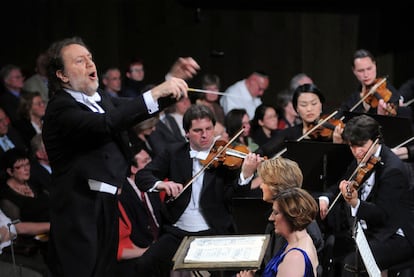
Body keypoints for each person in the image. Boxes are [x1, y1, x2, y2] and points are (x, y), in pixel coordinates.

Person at [42, 36, 199, 277]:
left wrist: (170, 82)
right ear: (62, 75)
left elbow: (134, 109)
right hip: (78, 211)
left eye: (90, 58)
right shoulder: (60, 108)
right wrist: (157, 91)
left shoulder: (100, 98)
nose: (90, 64)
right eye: (80, 61)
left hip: (106, 203)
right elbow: (108, 123)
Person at [135, 104, 261, 276]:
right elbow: (143, 176)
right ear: (186, 132)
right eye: (197, 130)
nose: (205, 135)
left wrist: (245, 175)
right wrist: (162, 184)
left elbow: (235, 199)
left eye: (209, 129)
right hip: (178, 230)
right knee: (145, 264)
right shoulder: (174, 152)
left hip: (213, 231)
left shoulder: (226, 155)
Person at [318, 114, 414, 276]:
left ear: (376, 140)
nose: (357, 152)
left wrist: (355, 203)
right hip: (372, 227)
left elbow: (383, 215)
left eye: (361, 145)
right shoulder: (364, 156)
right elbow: (344, 181)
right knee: (331, 250)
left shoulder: (393, 170)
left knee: (350, 263)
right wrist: (326, 197)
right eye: (352, 146)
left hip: (397, 233)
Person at [254, 158, 324, 274]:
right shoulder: (288, 220)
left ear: (275, 185)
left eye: (264, 182)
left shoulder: (295, 227)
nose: (261, 186)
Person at [237, 187, 319, 277]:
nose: (271, 218)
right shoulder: (303, 239)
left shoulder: (295, 258)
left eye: (276, 213)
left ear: (291, 215)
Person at [0, 148, 50, 276]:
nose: (26, 169)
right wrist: (53, 225)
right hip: (37, 238)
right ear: (10, 171)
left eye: (27, 164)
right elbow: (18, 228)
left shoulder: (32, 182)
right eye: (20, 167)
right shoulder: (7, 197)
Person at [258, 83, 343, 158]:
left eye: (314, 104)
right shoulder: (289, 134)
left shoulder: (331, 132)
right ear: (297, 109)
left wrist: (337, 145)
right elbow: (262, 151)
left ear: (321, 105)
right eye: (303, 105)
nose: (309, 109)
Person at [115, 145, 162, 276]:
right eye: (145, 161)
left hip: (157, 240)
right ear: (134, 169)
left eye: (150, 159)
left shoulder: (152, 184)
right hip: (138, 248)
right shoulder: (122, 193)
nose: (151, 163)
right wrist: (150, 249)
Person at [338, 49, 401, 118]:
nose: (366, 74)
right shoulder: (353, 99)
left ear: (375, 65)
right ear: (354, 71)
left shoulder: (389, 91)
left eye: (369, 68)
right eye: (360, 71)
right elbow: (340, 116)